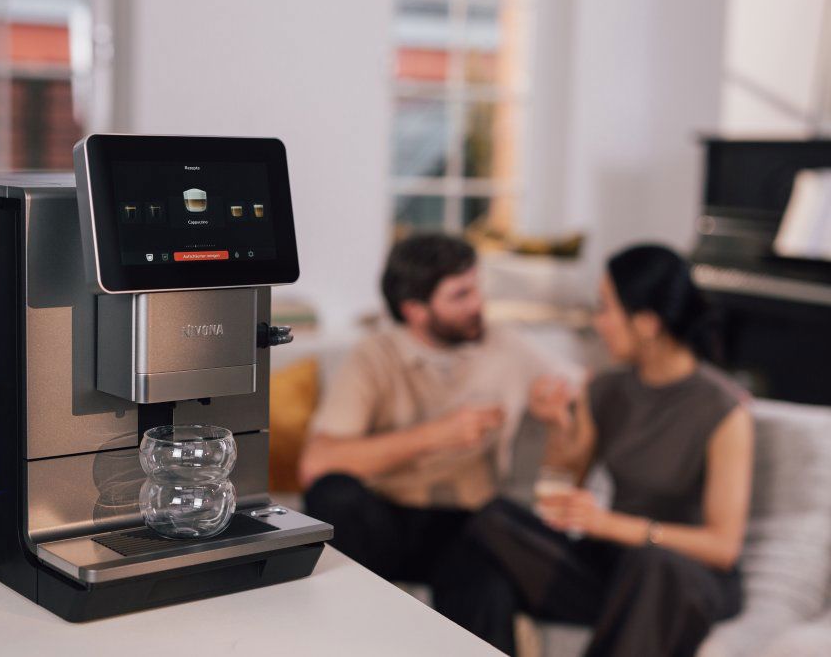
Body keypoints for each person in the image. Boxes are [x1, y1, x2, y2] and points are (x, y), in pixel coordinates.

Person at [434, 244, 754, 657]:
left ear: (647, 323)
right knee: (489, 525)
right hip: (614, 566)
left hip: (684, 573)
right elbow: (561, 493)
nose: (596, 322)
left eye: (605, 309)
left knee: (652, 564)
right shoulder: (607, 388)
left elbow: (723, 548)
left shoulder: (724, 409)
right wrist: (558, 427)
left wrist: (609, 525)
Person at [299, 233, 578, 600]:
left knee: (488, 570)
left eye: (476, 289)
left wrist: (555, 410)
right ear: (415, 310)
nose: (478, 304)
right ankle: (357, 619)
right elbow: (317, 464)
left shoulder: (505, 345)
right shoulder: (374, 356)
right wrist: (438, 435)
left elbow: (581, 389)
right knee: (334, 493)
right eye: (460, 295)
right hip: (387, 518)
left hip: (465, 525)